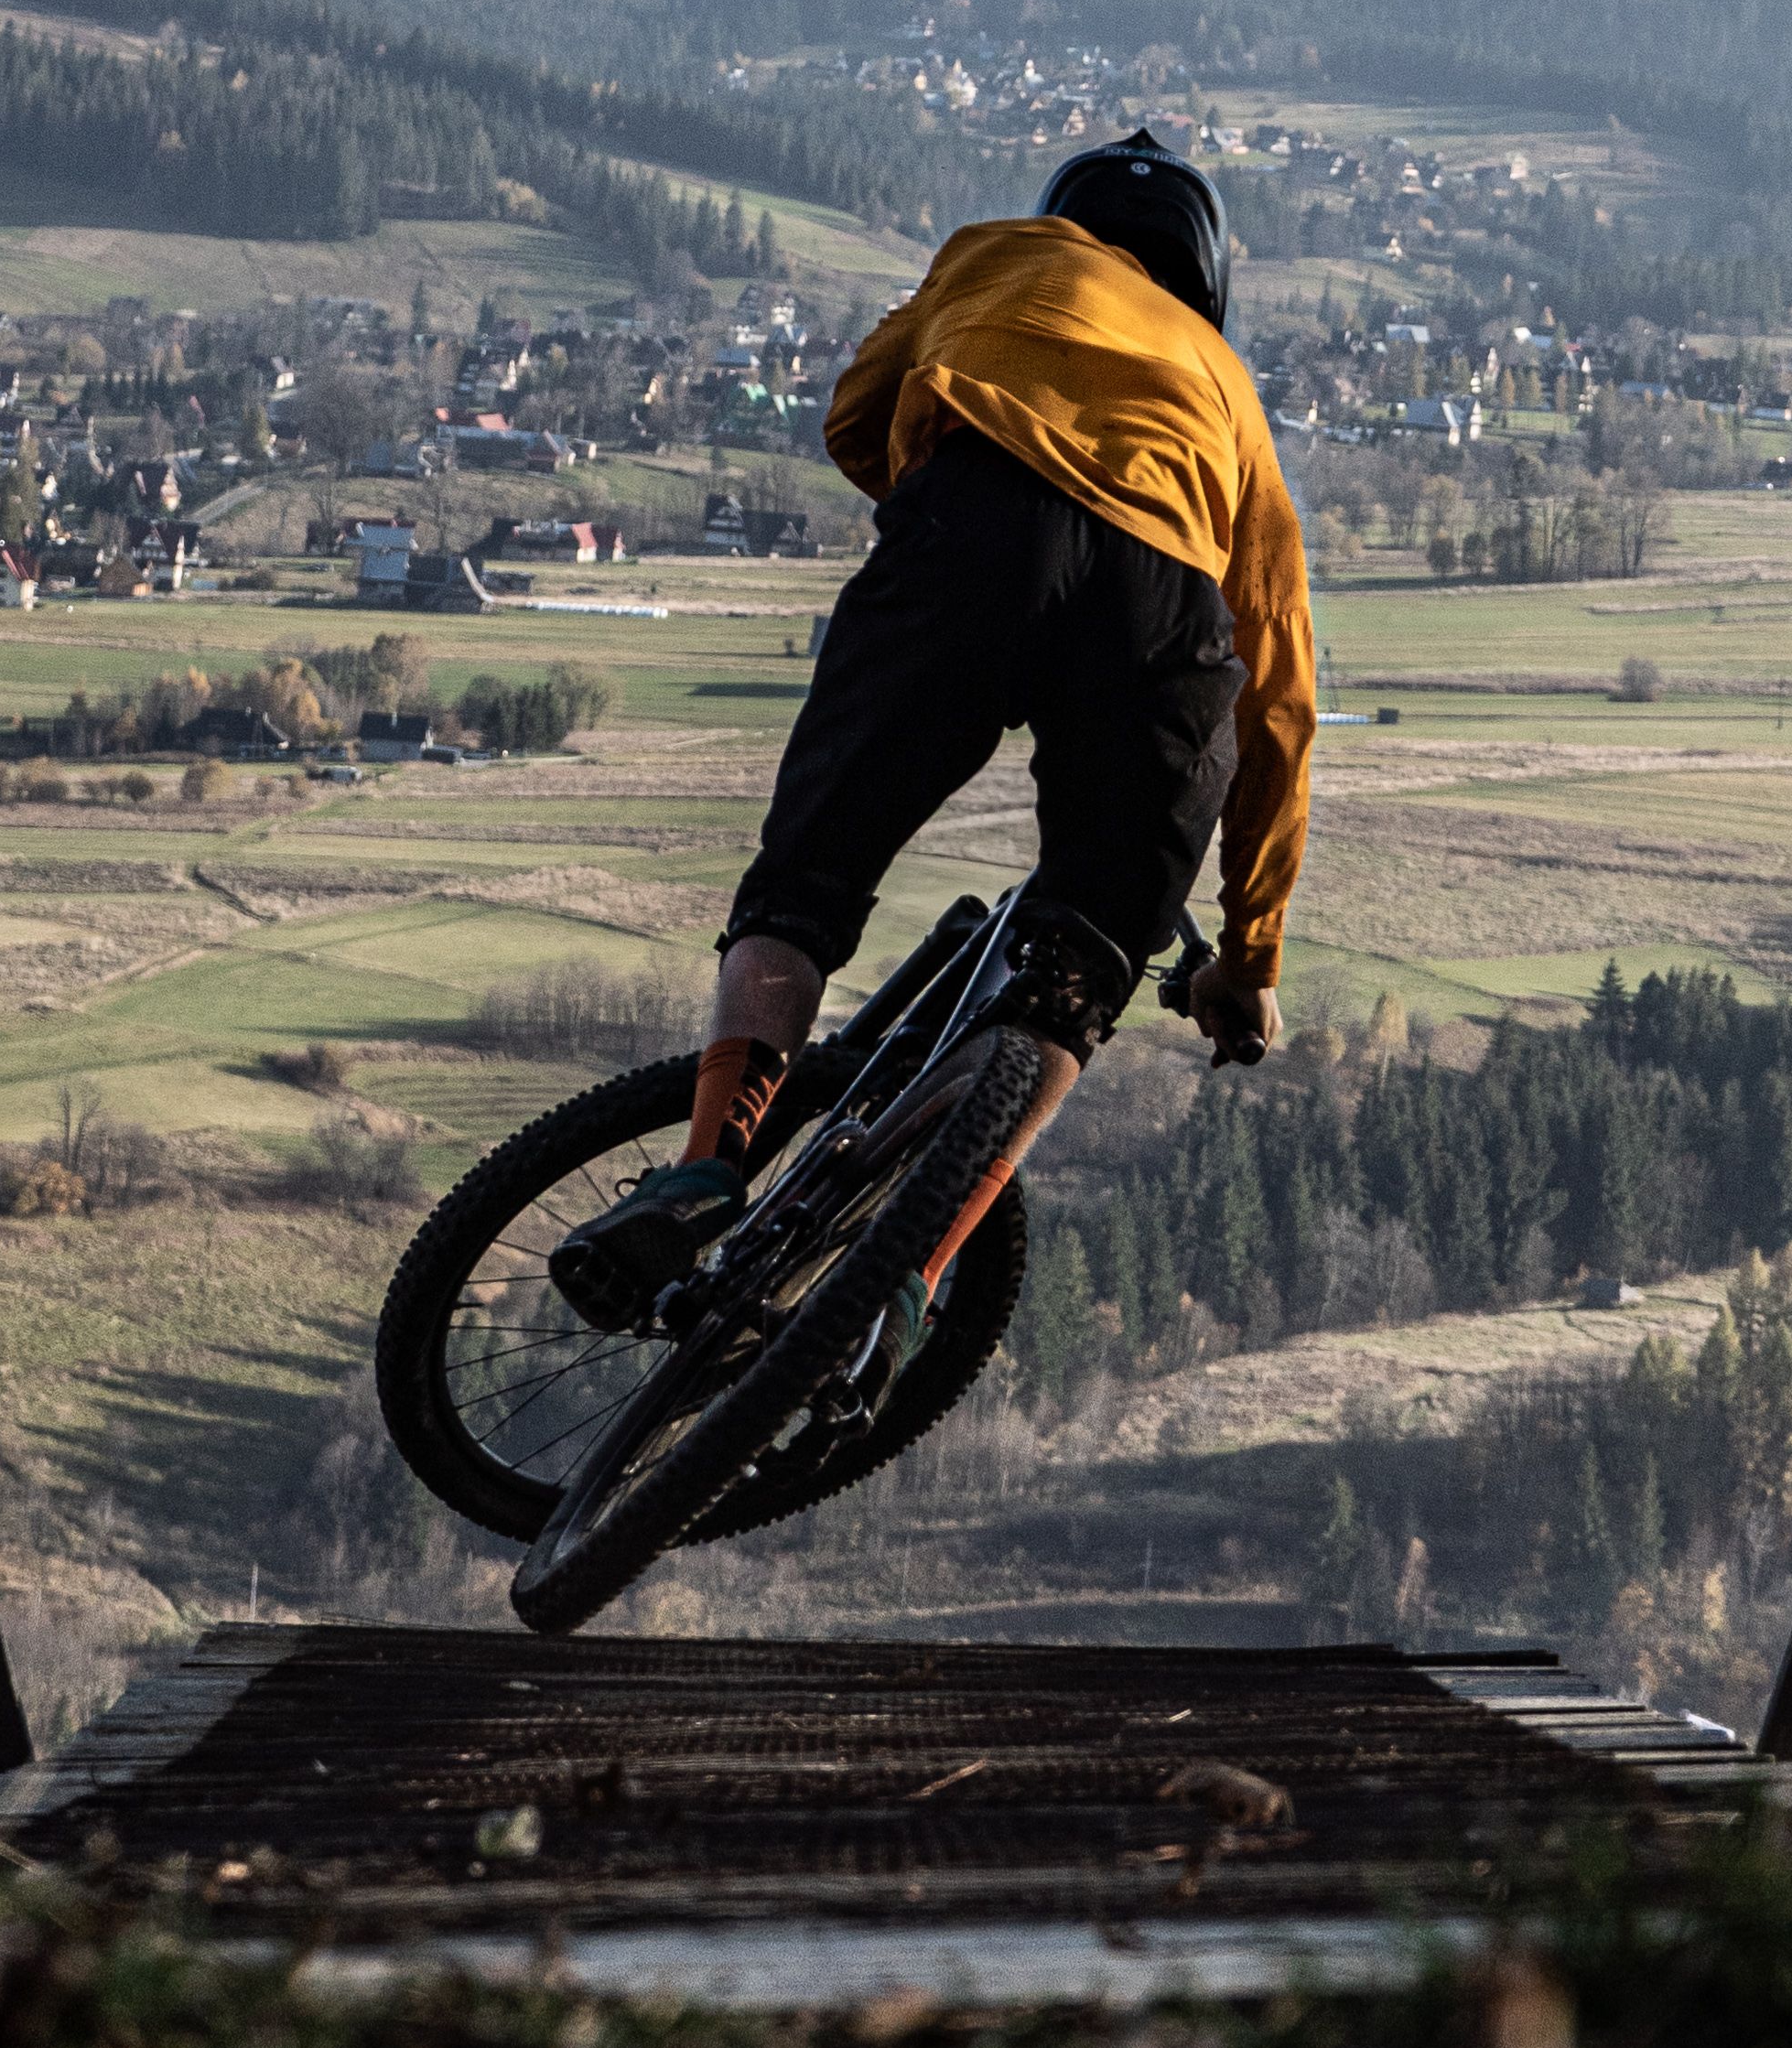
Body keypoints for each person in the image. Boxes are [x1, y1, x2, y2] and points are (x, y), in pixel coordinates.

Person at [551, 136, 1315, 1354]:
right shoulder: (1226, 388)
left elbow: (856, 414)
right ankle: (915, 1268)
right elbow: (1278, 692)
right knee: (1083, 970)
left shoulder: (991, 257)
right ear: (1208, 280)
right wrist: (1249, 952)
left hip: (973, 525)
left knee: (807, 881)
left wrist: (946, 519)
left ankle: (702, 1172)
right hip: (1160, 599)